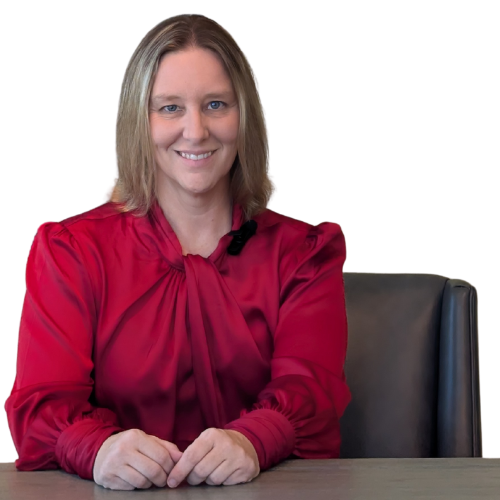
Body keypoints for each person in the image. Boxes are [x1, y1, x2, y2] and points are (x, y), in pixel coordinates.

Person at [4, 13, 351, 491]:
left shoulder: (304, 254)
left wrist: (252, 441)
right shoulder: (72, 252)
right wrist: (97, 447)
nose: (195, 130)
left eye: (215, 104)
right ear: (137, 123)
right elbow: (42, 403)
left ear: (244, 115)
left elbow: (309, 393)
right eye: (169, 108)